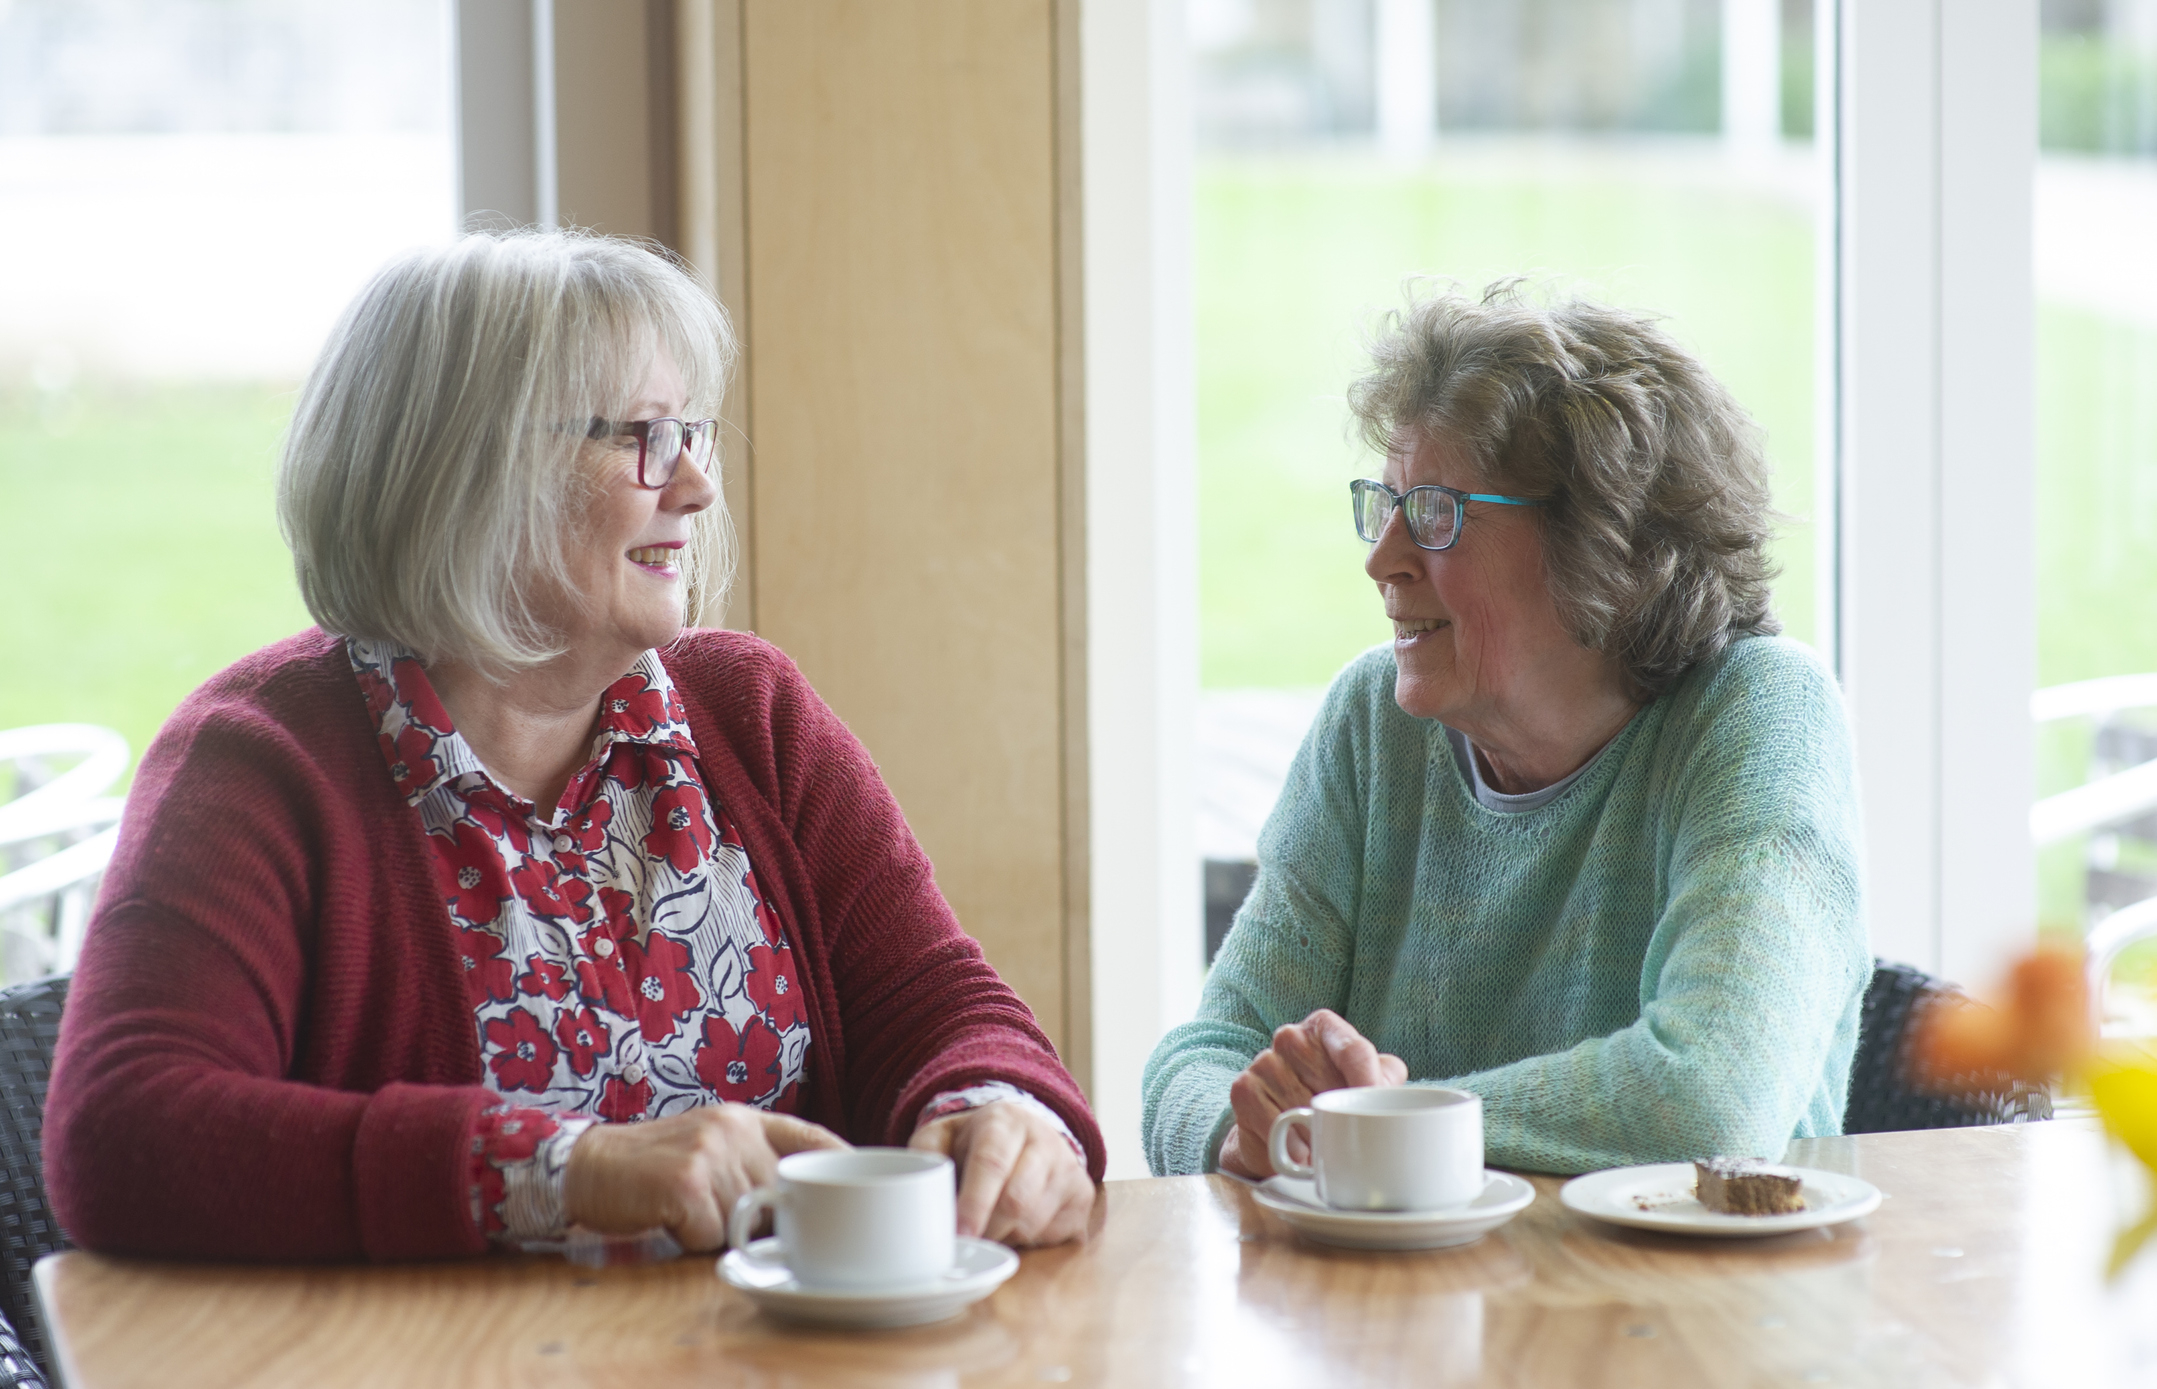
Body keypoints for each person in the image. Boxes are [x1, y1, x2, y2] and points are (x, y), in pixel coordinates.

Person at [46, 230, 1101, 1261]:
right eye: (643, 437)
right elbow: (122, 1133)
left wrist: (1003, 1112)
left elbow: (939, 1005)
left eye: (695, 434)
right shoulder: (260, 761)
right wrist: (569, 1171)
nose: (696, 486)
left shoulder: (752, 714)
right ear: (467, 467)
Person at [1142, 283, 1867, 1179]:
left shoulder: (1760, 714)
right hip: (1405, 1304)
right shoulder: (1375, 726)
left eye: (1437, 514)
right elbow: (1194, 1061)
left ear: (1601, 547)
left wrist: (1380, 1129)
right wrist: (1246, 1126)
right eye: (1387, 503)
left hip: (1692, 1306)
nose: (1381, 560)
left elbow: (1711, 1098)